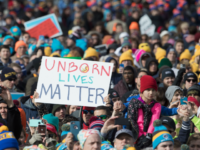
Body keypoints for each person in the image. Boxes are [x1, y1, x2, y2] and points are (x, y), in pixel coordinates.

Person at [128, 75, 161, 149]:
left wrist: (148, 136)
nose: (151, 92)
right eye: (148, 90)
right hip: (135, 136)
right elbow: (132, 121)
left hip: (149, 138)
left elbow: (154, 120)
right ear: (142, 90)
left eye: (153, 90)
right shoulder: (134, 103)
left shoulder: (156, 105)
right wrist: (139, 136)